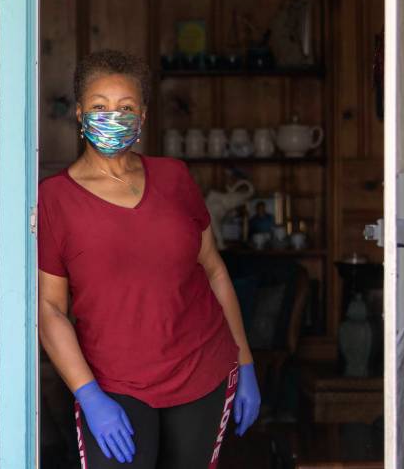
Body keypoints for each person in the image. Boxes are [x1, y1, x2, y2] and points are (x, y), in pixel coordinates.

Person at [38, 49, 261, 468]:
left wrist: (245, 361)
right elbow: (49, 308)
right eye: (100, 107)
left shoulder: (174, 178)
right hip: (112, 384)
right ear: (80, 113)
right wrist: (88, 394)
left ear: (142, 117)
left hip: (203, 373)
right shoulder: (55, 199)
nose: (113, 117)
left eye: (125, 108)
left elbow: (213, 270)